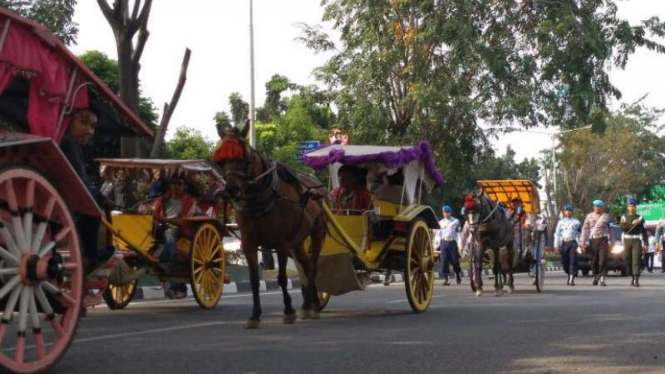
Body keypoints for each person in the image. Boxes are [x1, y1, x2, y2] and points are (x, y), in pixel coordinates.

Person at [60, 108, 114, 273]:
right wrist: (101, 197)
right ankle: (90, 255)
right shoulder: (68, 142)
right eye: (83, 123)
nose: (89, 131)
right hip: (68, 201)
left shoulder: (67, 142)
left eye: (92, 126)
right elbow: (80, 182)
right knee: (94, 200)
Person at [153, 177, 199, 299]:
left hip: (179, 229)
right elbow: (154, 213)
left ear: (184, 186)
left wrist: (168, 220)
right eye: (173, 183)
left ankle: (168, 263)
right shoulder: (162, 200)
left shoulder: (189, 202)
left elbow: (187, 221)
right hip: (160, 226)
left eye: (179, 183)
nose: (175, 186)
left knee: (169, 234)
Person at [579, 200, 615, 287]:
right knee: (593, 260)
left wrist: (613, 242)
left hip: (603, 240)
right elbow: (584, 229)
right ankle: (595, 275)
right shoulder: (589, 216)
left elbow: (611, 230)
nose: (596, 208)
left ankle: (602, 278)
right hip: (593, 240)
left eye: (598, 206)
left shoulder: (606, 217)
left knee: (602, 260)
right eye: (595, 206)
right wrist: (582, 242)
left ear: (602, 208)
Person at [619, 199, 648, 287]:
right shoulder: (624, 217)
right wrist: (632, 223)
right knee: (628, 259)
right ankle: (632, 276)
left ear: (636, 207)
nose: (632, 208)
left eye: (633, 206)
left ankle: (636, 279)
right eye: (630, 206)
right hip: (627, 241)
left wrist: (646, 243)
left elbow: (644, 232)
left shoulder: (640, 218)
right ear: (627, 207)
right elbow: (622, 228)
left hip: (636, 241)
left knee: (636, 260)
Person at [554, 204, 581, 286]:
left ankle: (572, 278)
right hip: (564, 243)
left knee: (572, 261)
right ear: (564, 212)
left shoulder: (577, 222)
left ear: (572, 212)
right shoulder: (561, 223)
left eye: (569, 211)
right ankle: (569, 274)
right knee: (565, 262)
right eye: (566, 211)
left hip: (573, 243)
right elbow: (557, 234)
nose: (568, 212)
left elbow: (580, 234)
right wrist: (556, 245)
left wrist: (581, 244)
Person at [434, 205, 462, 285]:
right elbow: (438, 235)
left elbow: (458, 234)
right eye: (444, 213)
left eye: (447, 212)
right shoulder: (440, 223)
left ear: (450, 212)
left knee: (455, 261)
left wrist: (460, 245)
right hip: (444, 243)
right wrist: (435, 245)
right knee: (444, 261)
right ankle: (447, 279)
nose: (446, 214)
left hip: (452, 243)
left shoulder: (456, 221)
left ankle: (457, 274)